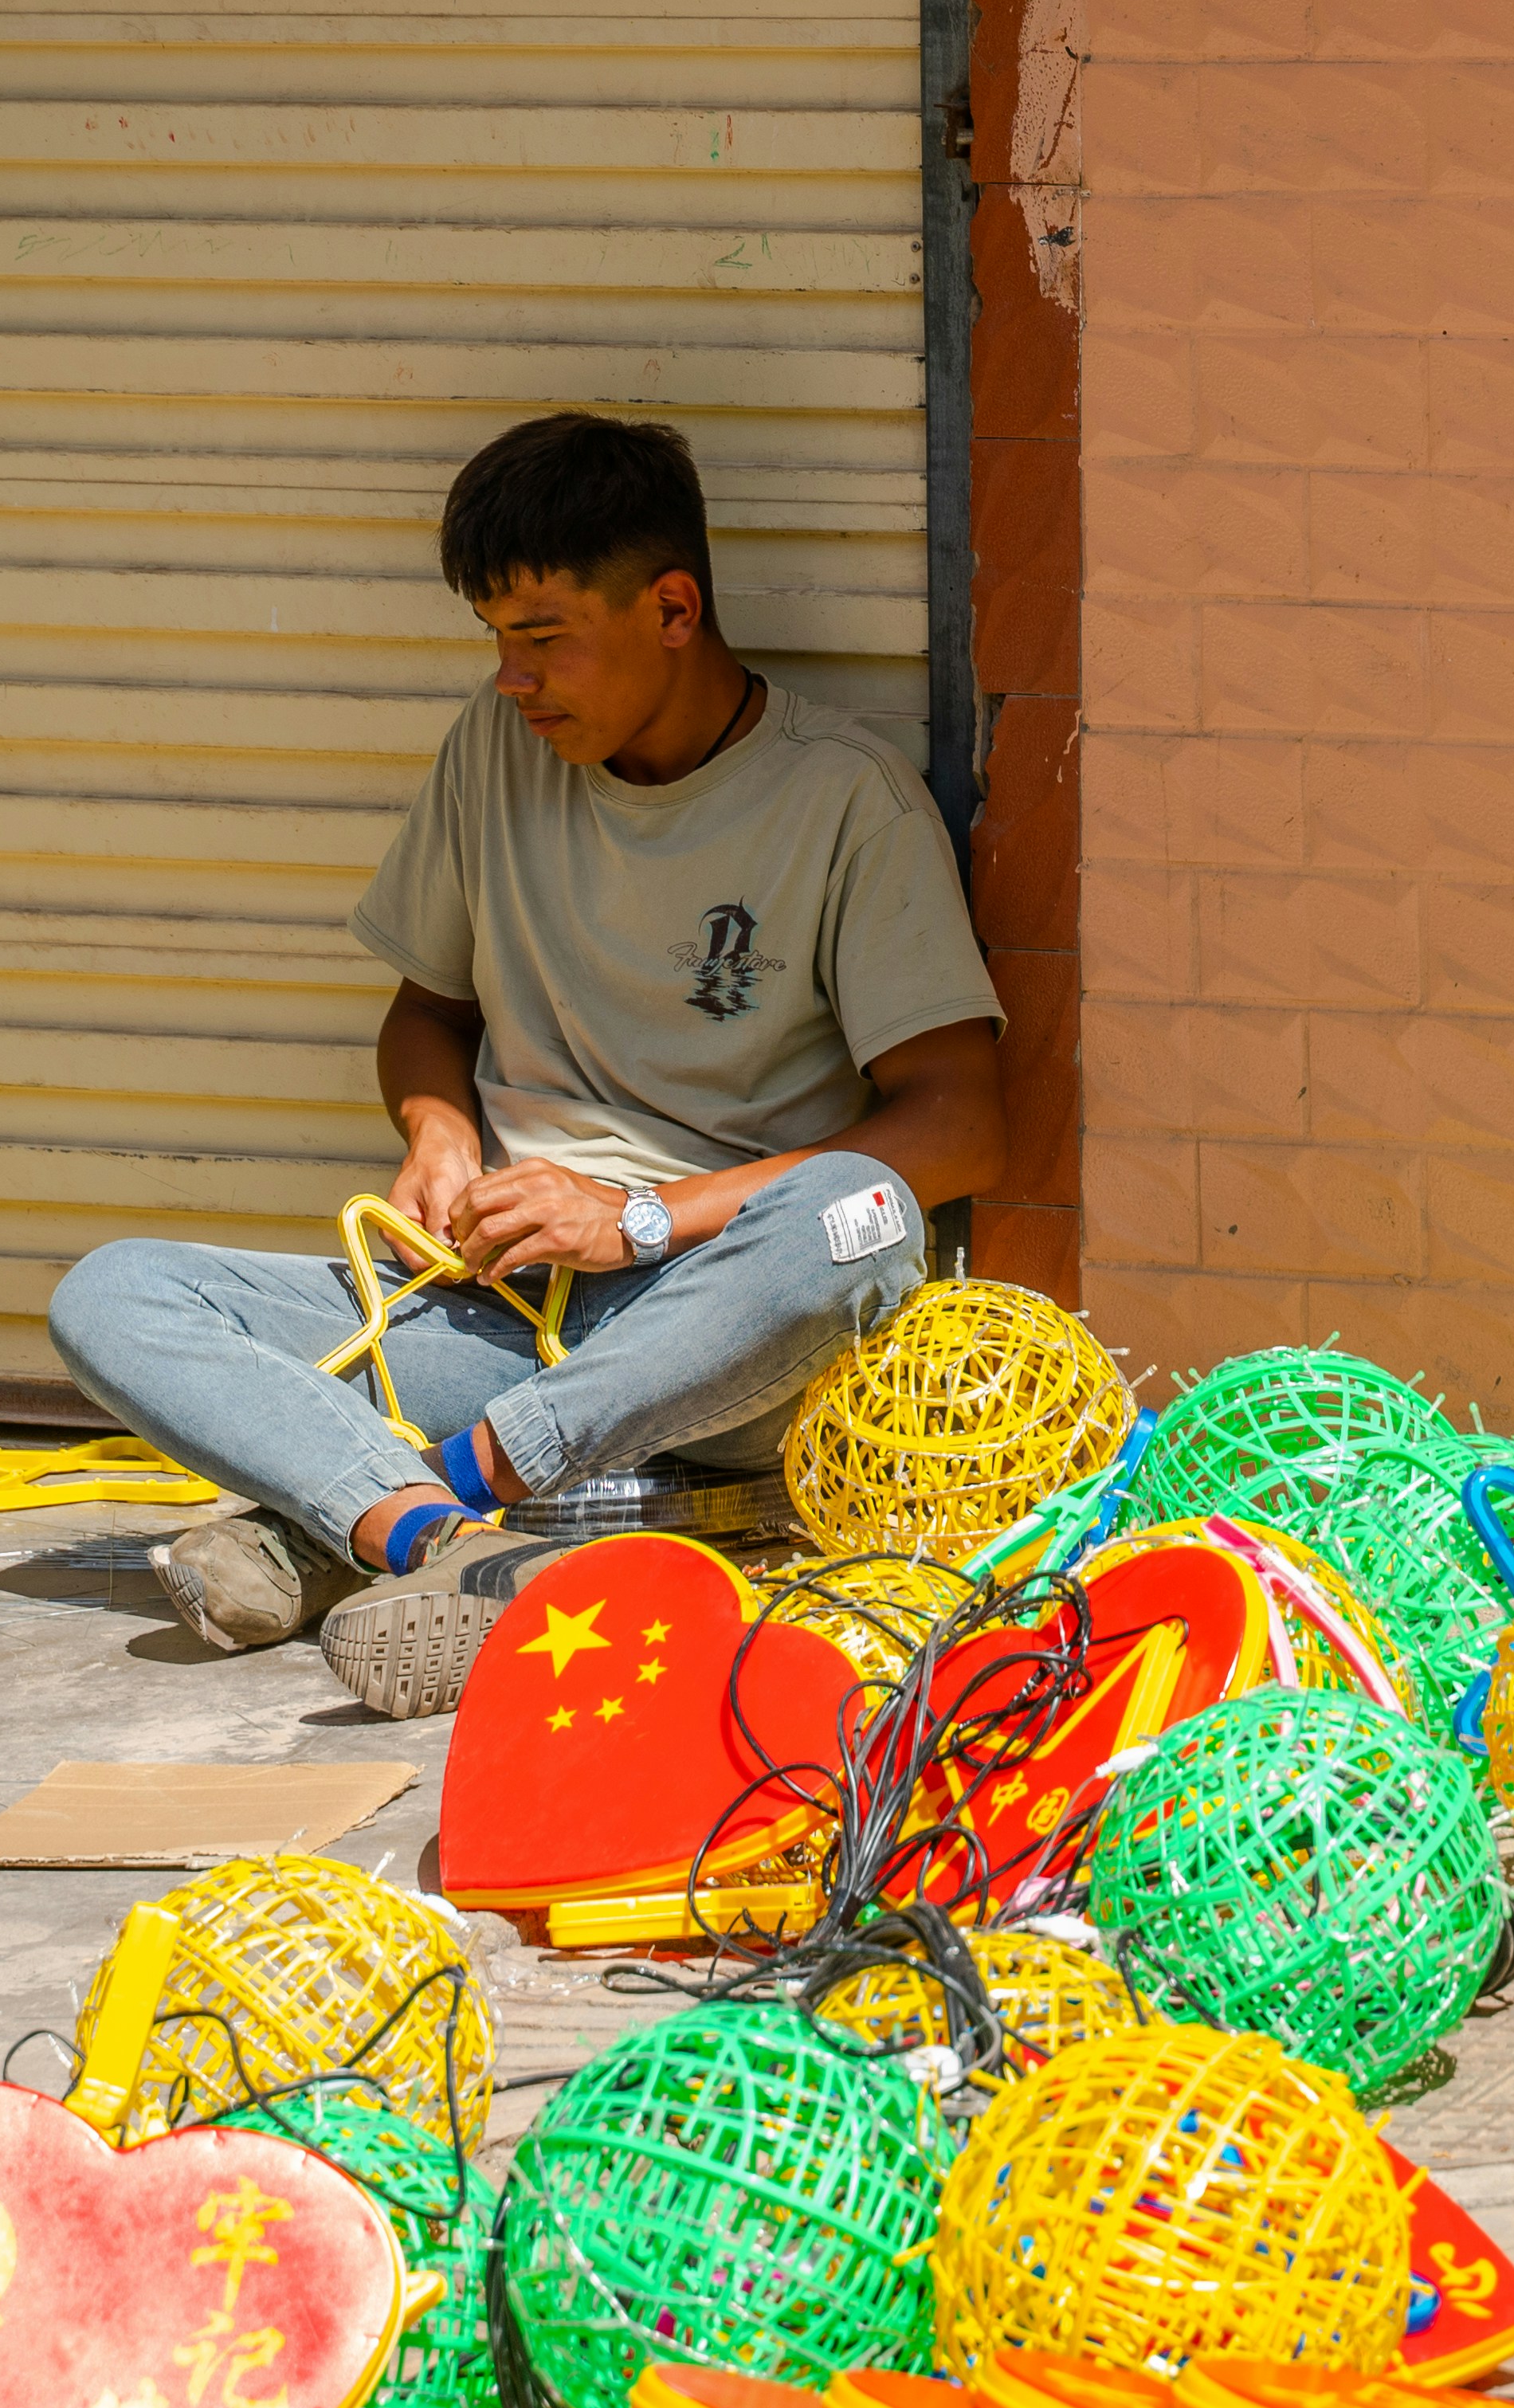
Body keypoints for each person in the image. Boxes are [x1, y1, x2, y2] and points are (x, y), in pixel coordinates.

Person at [49, 411, 1006, 1716]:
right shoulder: (496, 749)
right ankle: (455, 1546)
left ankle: (373, 1517)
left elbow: (960, 1129)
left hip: (711, 1334)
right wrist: (438, 1131)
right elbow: (426, 1012)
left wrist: (636, 1220)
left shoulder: (848, 799)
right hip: (497, 1318)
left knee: (865, 1218)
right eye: (496, 637)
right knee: (116, 1292)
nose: (513, 679)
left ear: (674, 610)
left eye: (545, 637)